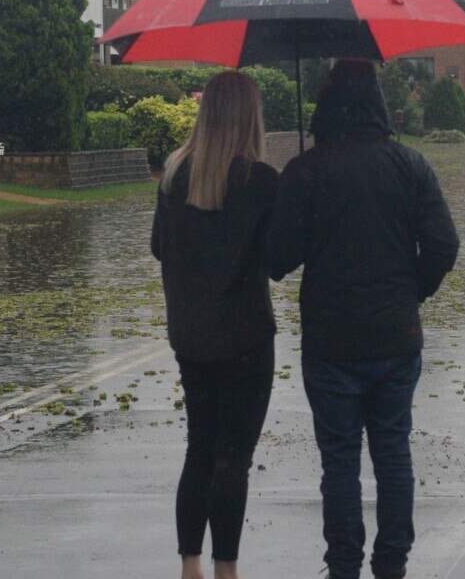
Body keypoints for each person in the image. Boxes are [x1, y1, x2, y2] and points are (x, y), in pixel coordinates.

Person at [268, 59, 459, 579]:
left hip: (331, 341)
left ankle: (344, 565)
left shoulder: (307, 170)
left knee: (339, 462)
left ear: (324, 107)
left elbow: (277, 260)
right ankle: (392, 563)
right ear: (379, 105)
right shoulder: (410, 164)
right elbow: (444, 244)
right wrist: (410, 293)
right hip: (397, 337)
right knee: (393, 452)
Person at [151, 71, 278, 579]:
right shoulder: (261, 181)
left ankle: (190, 563)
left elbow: (160, 247)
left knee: (199, 445)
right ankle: (227, 567)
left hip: (190, 335)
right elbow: (277, 259)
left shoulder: (173, 176)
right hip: (245, 337)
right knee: (233, 456)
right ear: (250, 117)